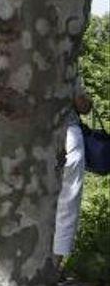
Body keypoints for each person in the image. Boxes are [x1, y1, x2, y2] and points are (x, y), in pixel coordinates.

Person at [55, 76, 94, 273]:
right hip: (68, 134)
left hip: (31, 138)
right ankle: (55, 266)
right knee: (67, 202)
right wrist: (88, 101)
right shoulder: (67, 63)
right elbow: (83, 106)